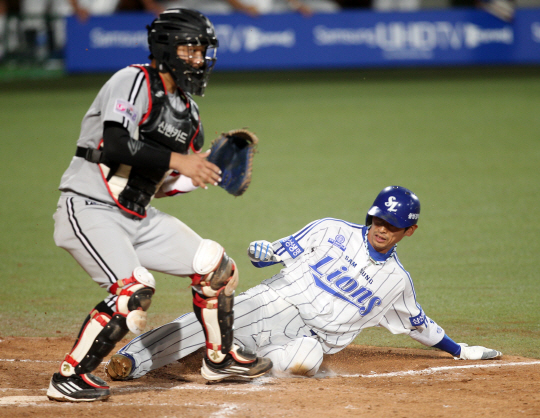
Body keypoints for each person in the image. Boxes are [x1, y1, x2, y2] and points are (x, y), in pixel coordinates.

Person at [46, 7, 272, 403]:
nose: (199, 60)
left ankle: (219, 360)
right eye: (190, 50)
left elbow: (160, 182)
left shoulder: (188, 112)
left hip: (137, 215)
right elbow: (115, 144)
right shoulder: (134, 81)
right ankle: (70, 375)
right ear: (166, 48)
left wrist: (201, 174)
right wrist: (181, 161)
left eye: (203, 52)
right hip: (89, 207)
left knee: (215, 268)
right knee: (133, 292)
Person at [105, 186, 503, 381]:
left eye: (393, 226)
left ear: (408, 232)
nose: (382, 230)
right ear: (370, 217)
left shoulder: (395, 282)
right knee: (203, 321)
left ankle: (235, 360)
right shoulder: (330, 230)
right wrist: (262, 253)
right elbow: (276, 252)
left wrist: (459, 349)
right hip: (272, 304)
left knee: (305, 363)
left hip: (307, 338)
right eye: (379, 220)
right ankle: (132, 359)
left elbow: (419, 325)